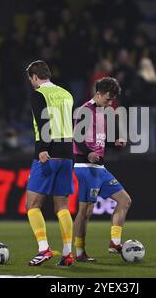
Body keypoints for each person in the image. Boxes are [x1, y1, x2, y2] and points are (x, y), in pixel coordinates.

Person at [73, 77, 131, 262]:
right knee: (86, 212)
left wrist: (114, 143)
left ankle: (115, 242)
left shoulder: (102, 112)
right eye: (107, 98)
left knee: (125, 200)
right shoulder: (85, 111)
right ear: (97, 94)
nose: (110, 103)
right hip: (86, 166)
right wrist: (88, 153)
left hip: (99, 167)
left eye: (112, 100)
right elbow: (77, 138)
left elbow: (98, 140)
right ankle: (80, 252)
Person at [25, 60, 75, 267]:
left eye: (31, 79)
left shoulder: (38, 95)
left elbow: (43, 121)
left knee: (32, 205)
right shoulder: (67, 94)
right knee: (62, 206)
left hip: (48, 153)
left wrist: (42, 149)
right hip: (67, 154)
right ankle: (67, 253)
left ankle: (43, 248)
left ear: (35, 77)